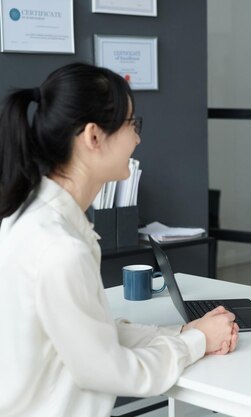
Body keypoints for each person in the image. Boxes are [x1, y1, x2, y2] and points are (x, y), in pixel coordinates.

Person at [0, 63, 239, 417]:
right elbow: (109, 371)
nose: (138, 139)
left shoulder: (29, 219)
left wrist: (182, 333)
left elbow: (92, 337)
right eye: (132, 125)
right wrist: (198, 341)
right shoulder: (60, 249)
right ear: (94, 137)